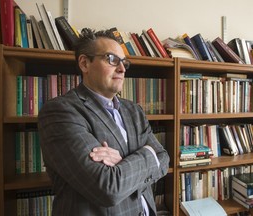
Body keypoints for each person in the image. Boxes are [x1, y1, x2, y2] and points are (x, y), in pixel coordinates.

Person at [38, 28, 170, 216]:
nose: (122, 68)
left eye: (124, 62)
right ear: (85, 63)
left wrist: (123, 163)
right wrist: (148, 154)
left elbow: (164, 158)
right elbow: (107, 187)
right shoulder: (61, 111)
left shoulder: (134, 110)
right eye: (111, 59)